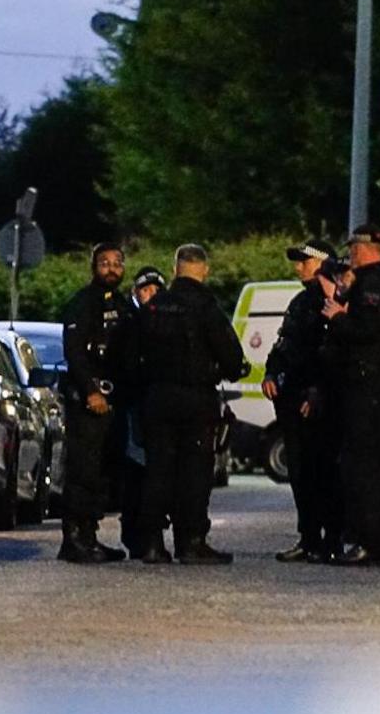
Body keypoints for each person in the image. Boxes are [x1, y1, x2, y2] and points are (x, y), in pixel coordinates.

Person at [131, 244, 246, 564]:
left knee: (157, 470)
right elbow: (232, 357)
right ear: (205, 270)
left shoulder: (155, 306)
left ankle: (152, 542)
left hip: (157, 398)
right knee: (194, 473)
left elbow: (132, 353)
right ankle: (191, 541)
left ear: (175, 268)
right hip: (196, 400)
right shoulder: (207, 306)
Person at [320, 224, 380, 567]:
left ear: (361, 249)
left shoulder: (370, 287)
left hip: (367, 387)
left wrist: (338, 318)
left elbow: (370, 332)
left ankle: (366, 541)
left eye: (353, 250)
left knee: (362, 468)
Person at [263, 239, 341, 562]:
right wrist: (270, 372)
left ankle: (332, 539)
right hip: (292, 398)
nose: (298, 267)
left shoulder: (333, 299)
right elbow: (285, 343)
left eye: (304, 262)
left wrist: (318, 390)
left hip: (319, 402)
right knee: (299, 473)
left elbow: (333, 349)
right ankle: (308, 537)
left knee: (324, 473)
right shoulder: (299, 302)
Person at [58, 242, 132, 563]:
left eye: (117, 263)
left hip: (114, 402)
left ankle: (90, 537)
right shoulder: (82, 303)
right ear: (93, 267)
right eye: (105, 263)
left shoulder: (123, 304)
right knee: (83, 470)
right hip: (88, 402)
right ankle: (74, 539)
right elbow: (75, 352)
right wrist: (91, 390)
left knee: (101, 473)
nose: (112, 268)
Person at [118, 267, 167, 557]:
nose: (150, 296)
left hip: (157, 406)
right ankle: (135, 531)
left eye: (154, 291)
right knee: (136, 470)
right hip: (136, 407)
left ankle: (150, 533)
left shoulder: (168, 320)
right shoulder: (129, 322)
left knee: (154, 472)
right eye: (144, 291)